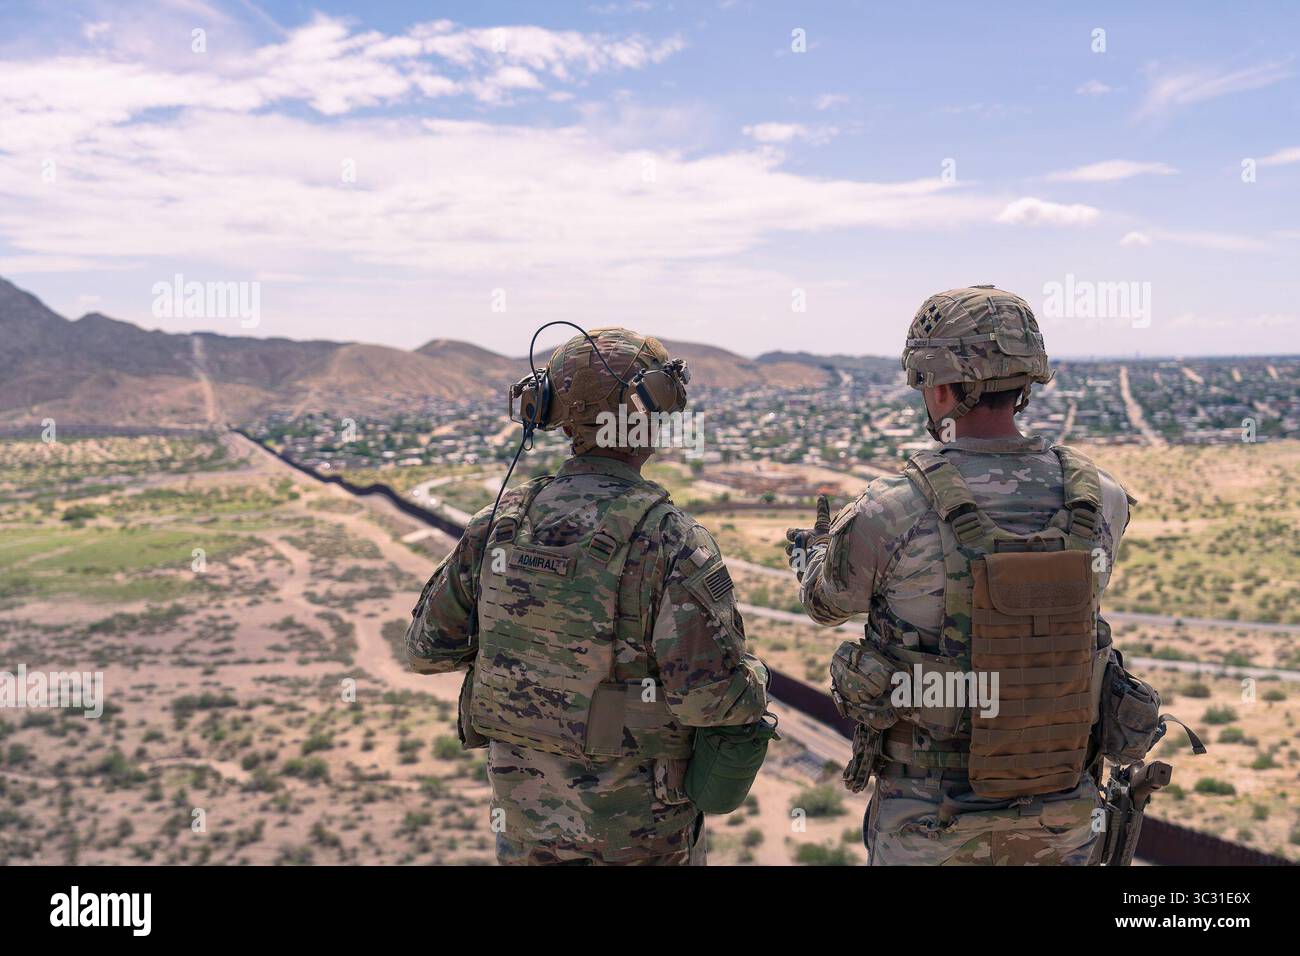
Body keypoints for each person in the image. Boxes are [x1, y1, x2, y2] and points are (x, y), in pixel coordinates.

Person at [787, 285, 1135, 865]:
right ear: (1026, 382)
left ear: (942, 387)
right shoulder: (1102, 498)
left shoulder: (889, 510)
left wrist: (813, 556)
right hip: (1063, 821)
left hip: (929, 826)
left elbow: (826, 604)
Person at [406, 327, 768, 865]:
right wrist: (757, 680)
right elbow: (708, 700)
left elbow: (424, 649)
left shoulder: (498, 527)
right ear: (646, 414)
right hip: (642, 837)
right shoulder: (670, 539)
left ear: (552, 412)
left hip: (526, 829)